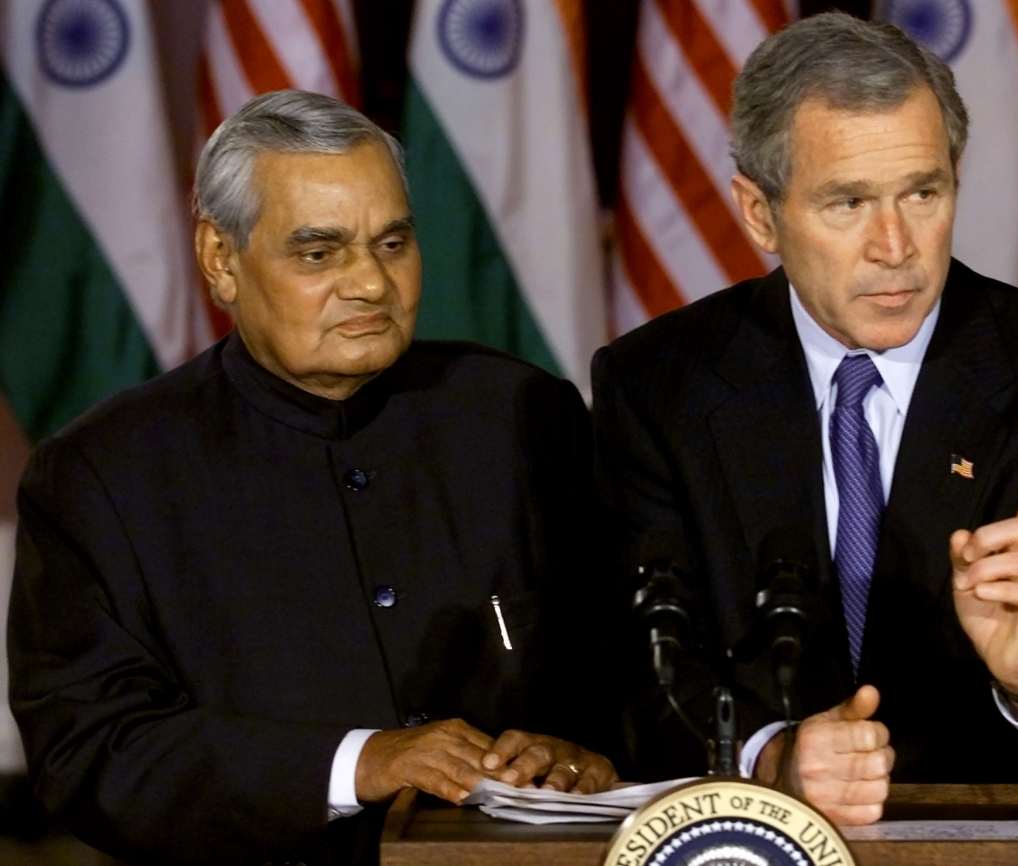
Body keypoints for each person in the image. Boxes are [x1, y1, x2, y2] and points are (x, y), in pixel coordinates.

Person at [591, 12, 1018, 864]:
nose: (896, 246)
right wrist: (773, 757)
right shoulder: (659, 387)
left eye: (923, 193)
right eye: (849, 202)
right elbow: (625, 677)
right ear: (760, 214)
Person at [8, 90, 616, 865]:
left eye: (392, 243)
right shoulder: (104, 474)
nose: (371, 283)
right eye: (319, 253)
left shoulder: (522, 415)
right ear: (221, 259)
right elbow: (91, 752)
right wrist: (359, 762)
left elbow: (628, 655)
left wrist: (585, 750)